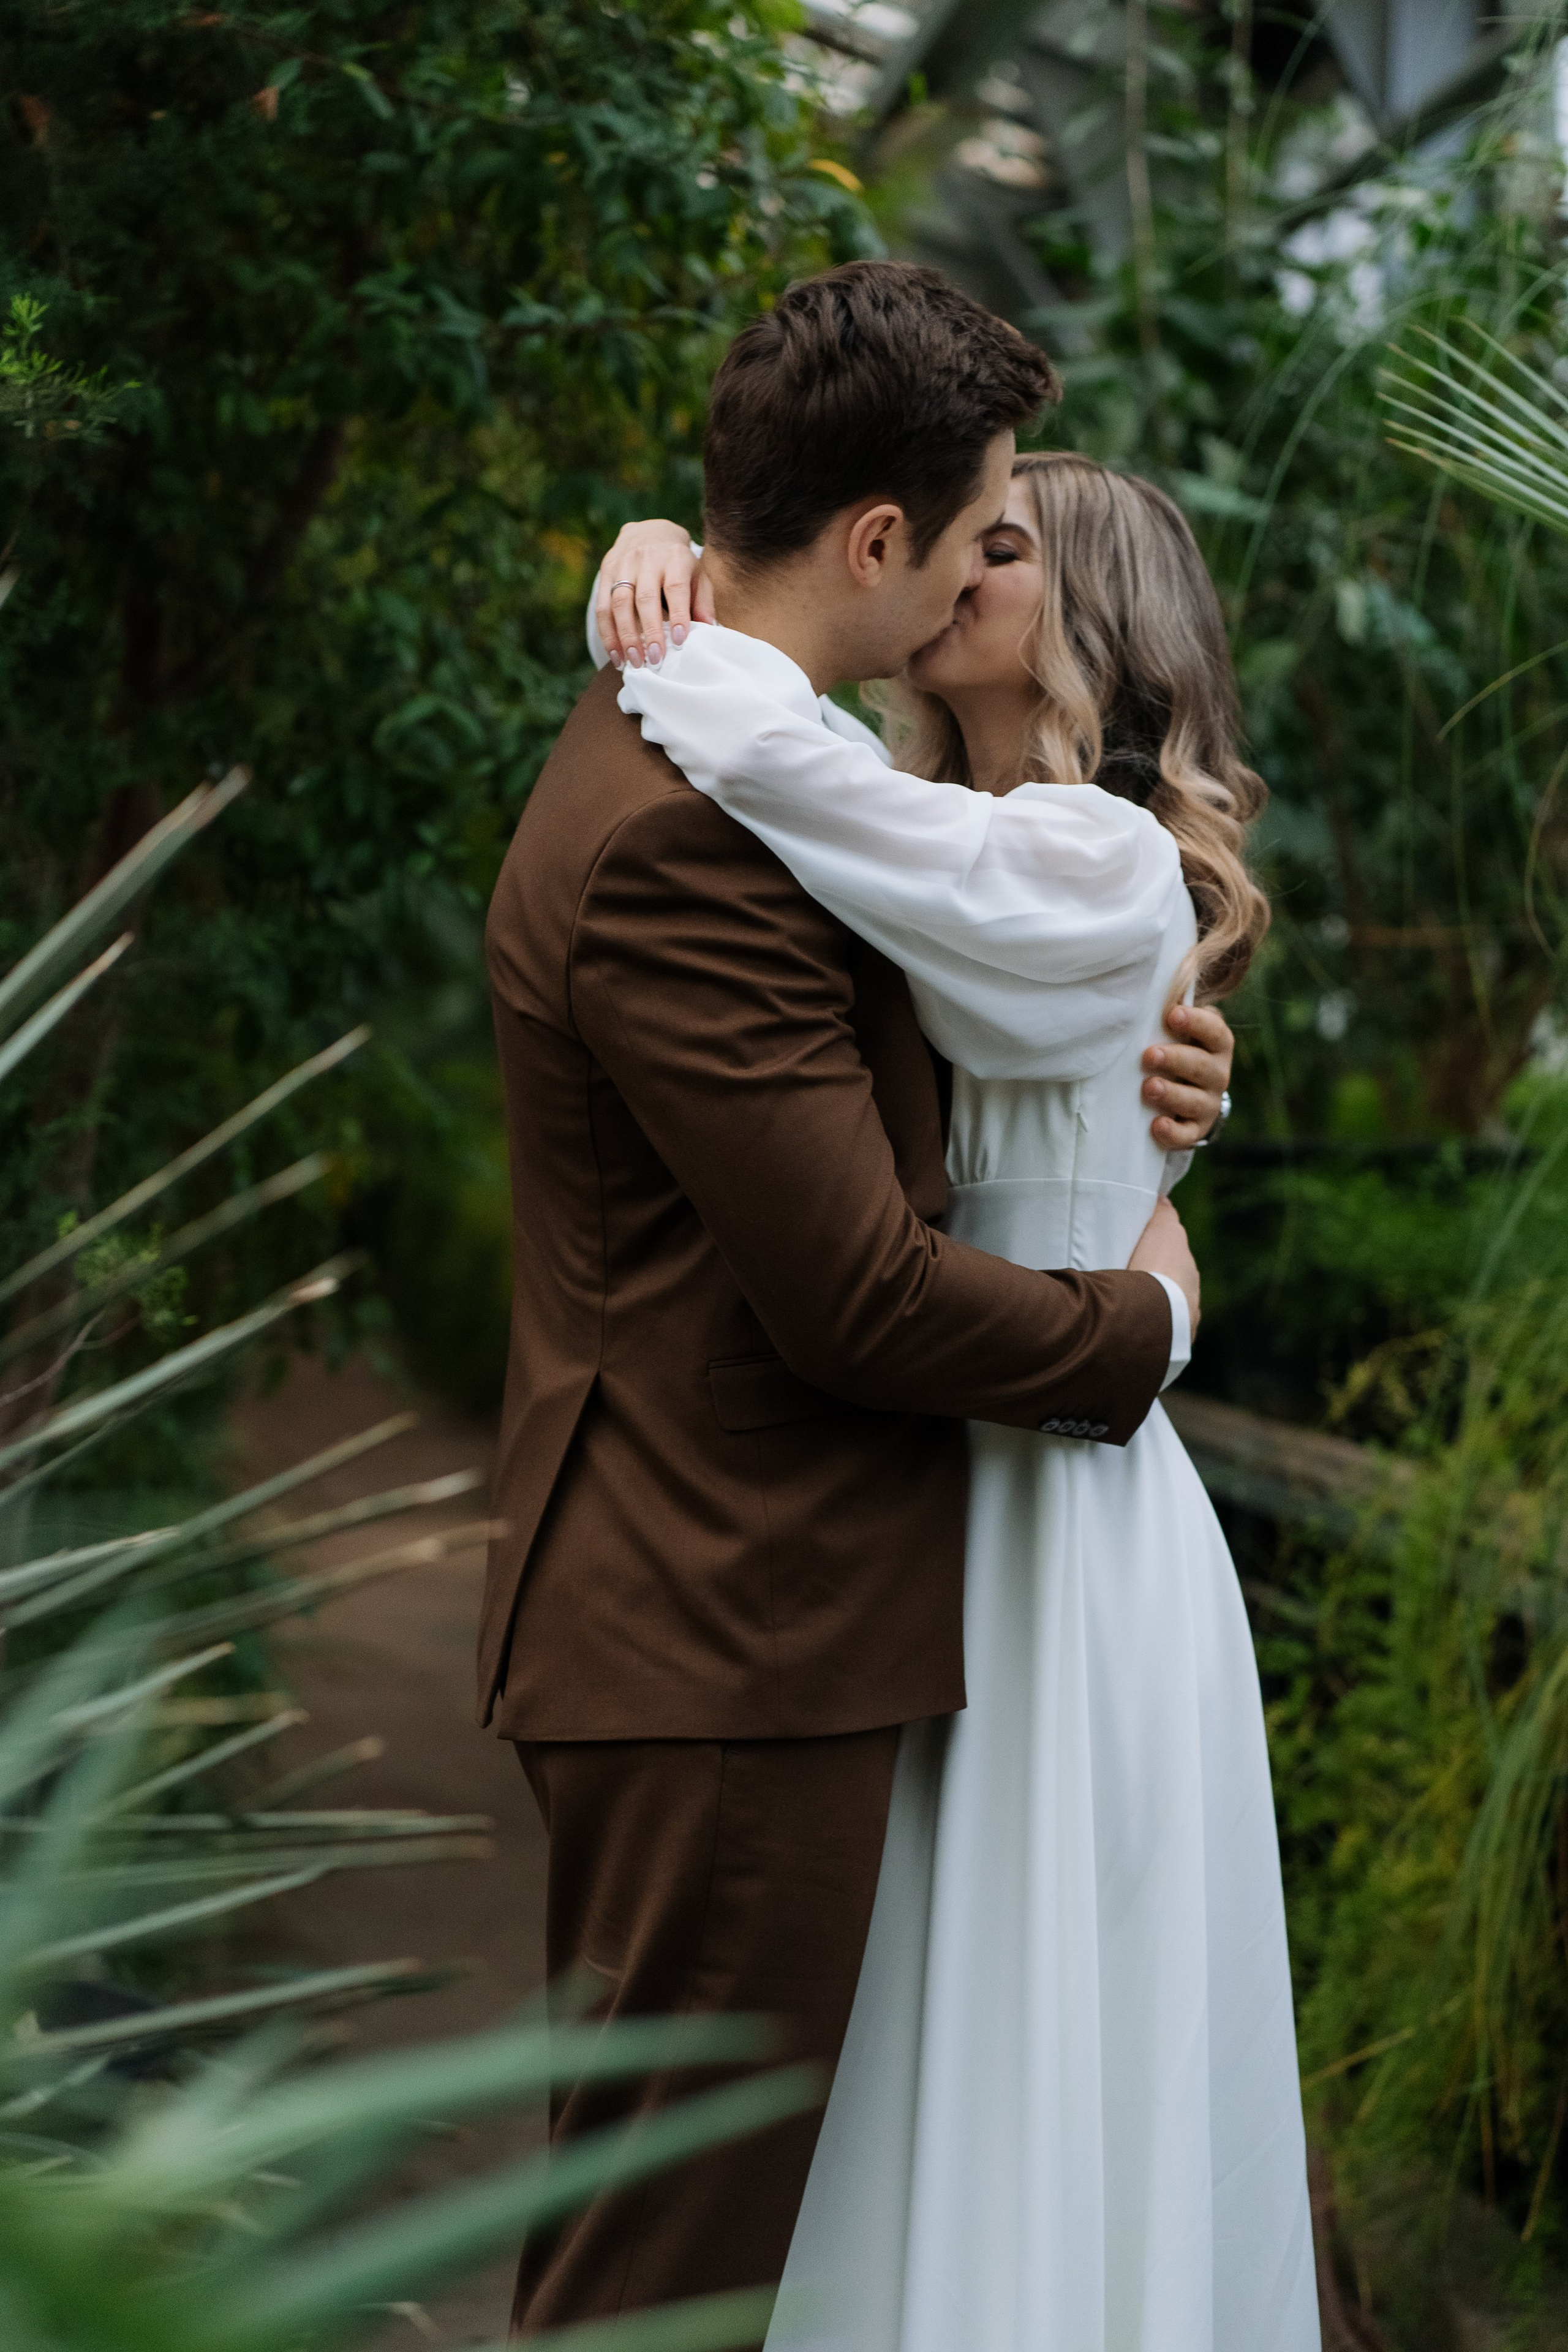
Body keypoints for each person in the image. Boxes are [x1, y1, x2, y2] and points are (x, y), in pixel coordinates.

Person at [482, 260, 1232, 2344]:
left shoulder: (850, 822)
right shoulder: (723, 829)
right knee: (673, 2268)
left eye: (1029, 545)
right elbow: (863, 1300)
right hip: (744, 1619)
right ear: (888, 547)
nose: (998, 557)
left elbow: (961, 914)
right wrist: (1145, 1326)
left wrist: (684, 604)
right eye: (982, 525)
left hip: (874, 1591)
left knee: (769, 2219)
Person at [593, 451, 1319, 2348]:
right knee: (918, 2006)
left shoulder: (1087, 857)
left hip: (1062, 1506)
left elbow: (800, 781)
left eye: (1000, 547)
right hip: (927, 1473)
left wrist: (696, 621)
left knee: (1034, 1994)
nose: (946, 570)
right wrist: (683, 554)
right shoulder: (925, 825)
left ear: (1087, 617)